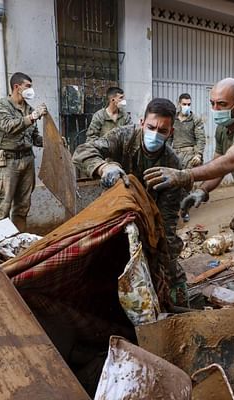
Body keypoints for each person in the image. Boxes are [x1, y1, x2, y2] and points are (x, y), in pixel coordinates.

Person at [143, 78, 234, 310]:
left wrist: (184, 175)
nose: (215, 110)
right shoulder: (225, 129)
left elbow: (230, 161)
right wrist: (203, 191)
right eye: (212, 103)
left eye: (222, 104)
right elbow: (217, 164)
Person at [72, 98, 188, 306]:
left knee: (155, 268)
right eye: (151, 127)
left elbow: (166, 222)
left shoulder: (172, 164)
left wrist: (169, 267)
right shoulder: (124, 136)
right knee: (94, 262)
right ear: (142, 123)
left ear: (170, 133)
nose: (155, 134)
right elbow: (82, 152)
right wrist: (104, 168)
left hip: (146, 219)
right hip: (112, 212)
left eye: (162, 130)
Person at [0, 72, 47, 232]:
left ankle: (18, 243)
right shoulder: (1, 106)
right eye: (28, 86)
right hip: (7, 162)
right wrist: (33, 116)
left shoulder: (29, 109)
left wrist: (53, 142)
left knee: (22, 207)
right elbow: (9, 126)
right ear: (17, 87)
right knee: (2, 207)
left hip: (27, 160)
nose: (31, 89)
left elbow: (35, 138)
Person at [171, 93, 206, 222]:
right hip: (174, 154)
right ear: (179, 104)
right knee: (173, 183)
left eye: (188, 104)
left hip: (190, 154)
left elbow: (200, 139)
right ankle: (173, 209)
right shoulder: (172, 119)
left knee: (186, 183)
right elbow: (168, 138)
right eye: (184, 104)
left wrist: (198, 154)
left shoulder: (195, 119)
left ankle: (184, 210)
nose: (186, 106)